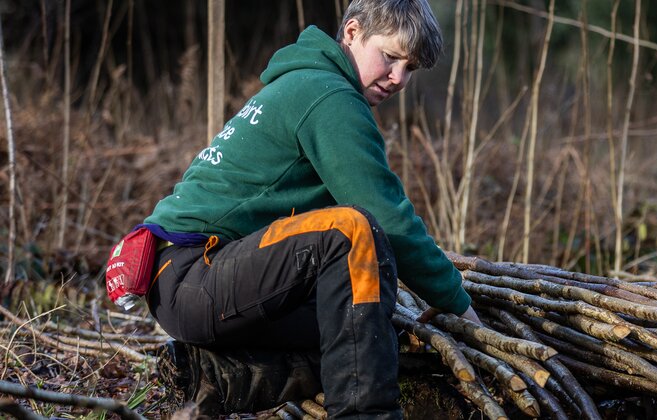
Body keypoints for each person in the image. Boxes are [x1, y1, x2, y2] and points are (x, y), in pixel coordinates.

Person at [141, 0, 479, 417]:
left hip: (182, 283)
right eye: (390, 58)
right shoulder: (328, 95)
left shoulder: (302, 83)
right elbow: (390, 219)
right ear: (352, 32)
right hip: (198, 273)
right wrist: (457, 302)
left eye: (410, 69)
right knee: (355, 231)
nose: (398, 79)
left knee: (363, 326)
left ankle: (212, 376)